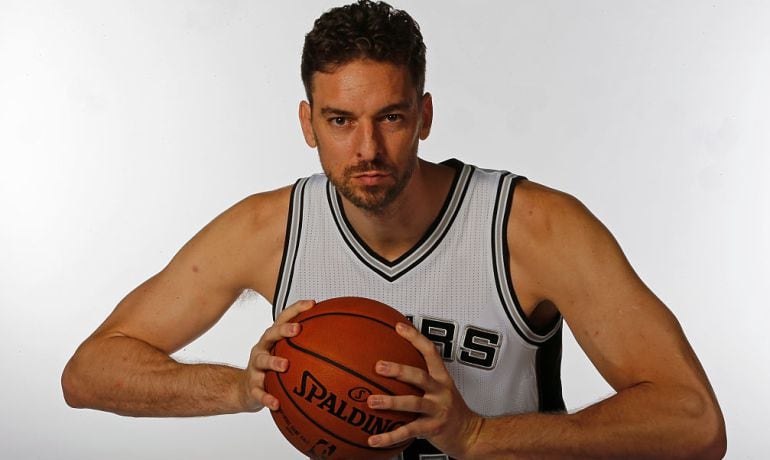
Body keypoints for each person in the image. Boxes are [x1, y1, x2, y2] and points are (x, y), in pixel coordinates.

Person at [61, 1, 726, 458]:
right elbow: (90, 372)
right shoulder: (270, 230)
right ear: (307, 122)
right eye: (340, 121)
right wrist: (241, 387)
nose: (367, 150)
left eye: (391, 117)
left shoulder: (531, 227)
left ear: (425, 115)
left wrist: (475, 439)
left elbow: (693, 423)